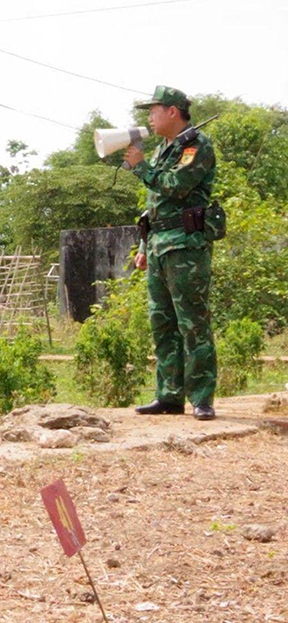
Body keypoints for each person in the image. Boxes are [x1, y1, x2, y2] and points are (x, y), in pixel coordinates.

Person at [126, 85, 218, 421]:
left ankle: (201, 398)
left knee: (192, 324)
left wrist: (140, 167)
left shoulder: (196, 146)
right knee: (162, 323)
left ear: (173, 112)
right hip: (160, 245)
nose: (149, 117)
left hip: (186, 246)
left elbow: (176, 187)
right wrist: (143, 246)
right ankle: (168, 396)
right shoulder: (163, 149)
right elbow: (154, 206)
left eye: (154, 110)